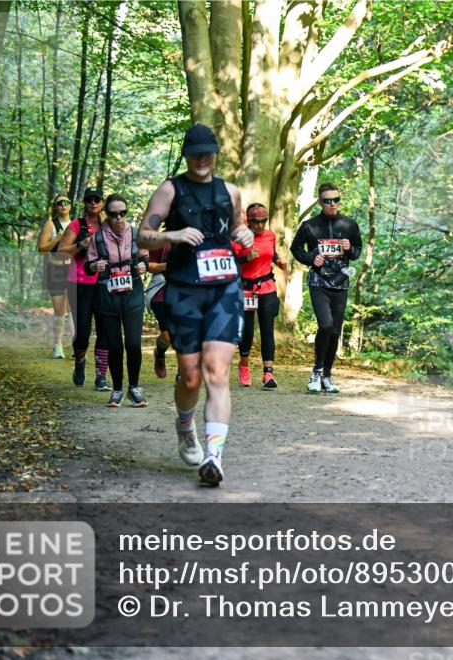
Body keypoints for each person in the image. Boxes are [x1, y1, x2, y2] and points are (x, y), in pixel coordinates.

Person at [137, 123, 253, 486]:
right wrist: (171, 234)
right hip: (185, 288)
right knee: (190, 375)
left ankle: (214, 456)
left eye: (208, 152)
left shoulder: (230, 191)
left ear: (215, 154)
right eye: (195, 152)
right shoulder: (170, 190)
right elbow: (142, 234)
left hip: (224, 288)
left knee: (216, 371)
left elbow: (236, 228)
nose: (202, 158)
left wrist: (244, 233)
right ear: (186, 154)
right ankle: (185, 425)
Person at [290, 182, 362, 394]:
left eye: (336, 200)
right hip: (318, 282)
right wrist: (311, 258)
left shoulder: (349, 225)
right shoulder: (310, 226)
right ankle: (317, 372)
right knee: (326, 325)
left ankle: (328, 375)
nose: (333, 204)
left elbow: (357, 251)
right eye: (328, 201)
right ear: (320, 202)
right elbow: (296, 249)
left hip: (340, 283)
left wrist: (350, 249)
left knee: (335, 332)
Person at [85, 194, 150, 408]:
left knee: (133, 343)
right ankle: (117, 390)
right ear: (107, 214)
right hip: (108, 295)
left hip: (133, 294)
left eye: (123, 213)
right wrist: (95, 267)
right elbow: (88, 265)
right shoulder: (98, 238)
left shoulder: (136, 234)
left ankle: (134, 388)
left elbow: (144, 259)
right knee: (115, 346)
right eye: (114, 214)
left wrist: (143, 266)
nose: (119, 217)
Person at [58, 187, 111, 390]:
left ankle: (101, 376)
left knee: (106, 329)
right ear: (84, 203)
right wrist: (82, 244)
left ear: (103, 202)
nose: (93, 203)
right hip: (79, 282)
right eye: (89, 199)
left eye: (97, 199)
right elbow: (61, 253)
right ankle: (80, 360)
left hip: (105, 282)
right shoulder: (76, 225)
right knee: (82, 332)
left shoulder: (109, 225)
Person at [232, 203, 286, 389]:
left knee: (267, 329)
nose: (261, 225)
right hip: (246, 288)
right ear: (248, 221)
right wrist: (245, 258)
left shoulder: (270, 236)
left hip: (267, 287)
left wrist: (279, 261)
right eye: (256, 222)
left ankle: (268, 374)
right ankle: (244, 364)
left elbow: (271, 254)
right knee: (246, 331)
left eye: (264, 221)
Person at [37, 194, 72, 359]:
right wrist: (57, 239)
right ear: (55, 207)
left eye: (66, 202)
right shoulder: (51, 224)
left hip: (72, 270)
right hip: (56, 270)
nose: (63, 205)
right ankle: (57, 345)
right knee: (59, 309)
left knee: (73, 308)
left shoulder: (76, 224)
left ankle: (76, 345)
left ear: (70, 205)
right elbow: (42, 248)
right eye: (60, 203)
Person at [146, 238, 173, 379]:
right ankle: (160, 353)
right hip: (161, 292)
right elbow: (147, 265)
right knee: (168, 337)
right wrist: (168, 266)